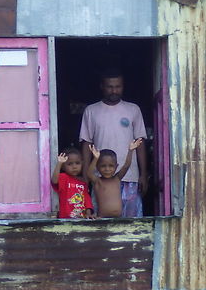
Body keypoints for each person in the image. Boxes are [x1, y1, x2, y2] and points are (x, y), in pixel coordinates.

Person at [79, 71, 148, 217]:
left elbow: (140, 143)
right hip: (100, 178)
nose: (114, 90)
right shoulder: (91, 111)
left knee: (131, 223)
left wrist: (143, 174)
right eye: (110, 87)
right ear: (102, 87)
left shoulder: (133, 109)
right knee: (101, 221)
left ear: (123, 87)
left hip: (130, 177)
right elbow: (86, 144)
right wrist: (86, 174)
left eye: (118, 86)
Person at [88, 139, 143, 217]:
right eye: (103, 166)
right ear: (97, 167)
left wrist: (130, 151)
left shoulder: (117, 178)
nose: (107, 169)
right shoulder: (98, 181)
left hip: (118, 218)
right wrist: (95, 159)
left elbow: (126, 165)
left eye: (111, 166)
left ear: (116, 166)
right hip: (101, 218)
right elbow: (89, 173)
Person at [51, 147, 94, 219]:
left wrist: (88, 213)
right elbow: (54, 180)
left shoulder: (83, 182)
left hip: (82, 218)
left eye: (77, 163)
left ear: (82, 164)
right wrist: (59, 163)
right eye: (70, 164)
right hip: (66, 218)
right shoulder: (64, 177)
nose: (74, 167)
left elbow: (87, 200)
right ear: (63, 167)